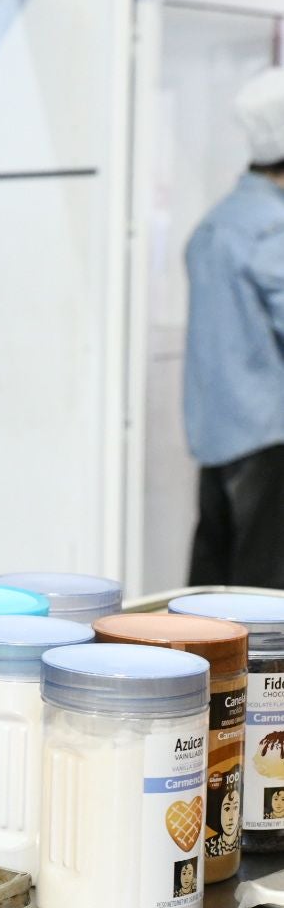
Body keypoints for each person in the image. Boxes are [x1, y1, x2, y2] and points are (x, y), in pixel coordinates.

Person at [185, 67, 284, 589]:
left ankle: (201, 671)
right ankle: (265, 677)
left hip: (216, 434)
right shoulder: (273, 225)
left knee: (213, 577)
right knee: (263, 590)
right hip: (268, 435)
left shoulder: (217, 221)